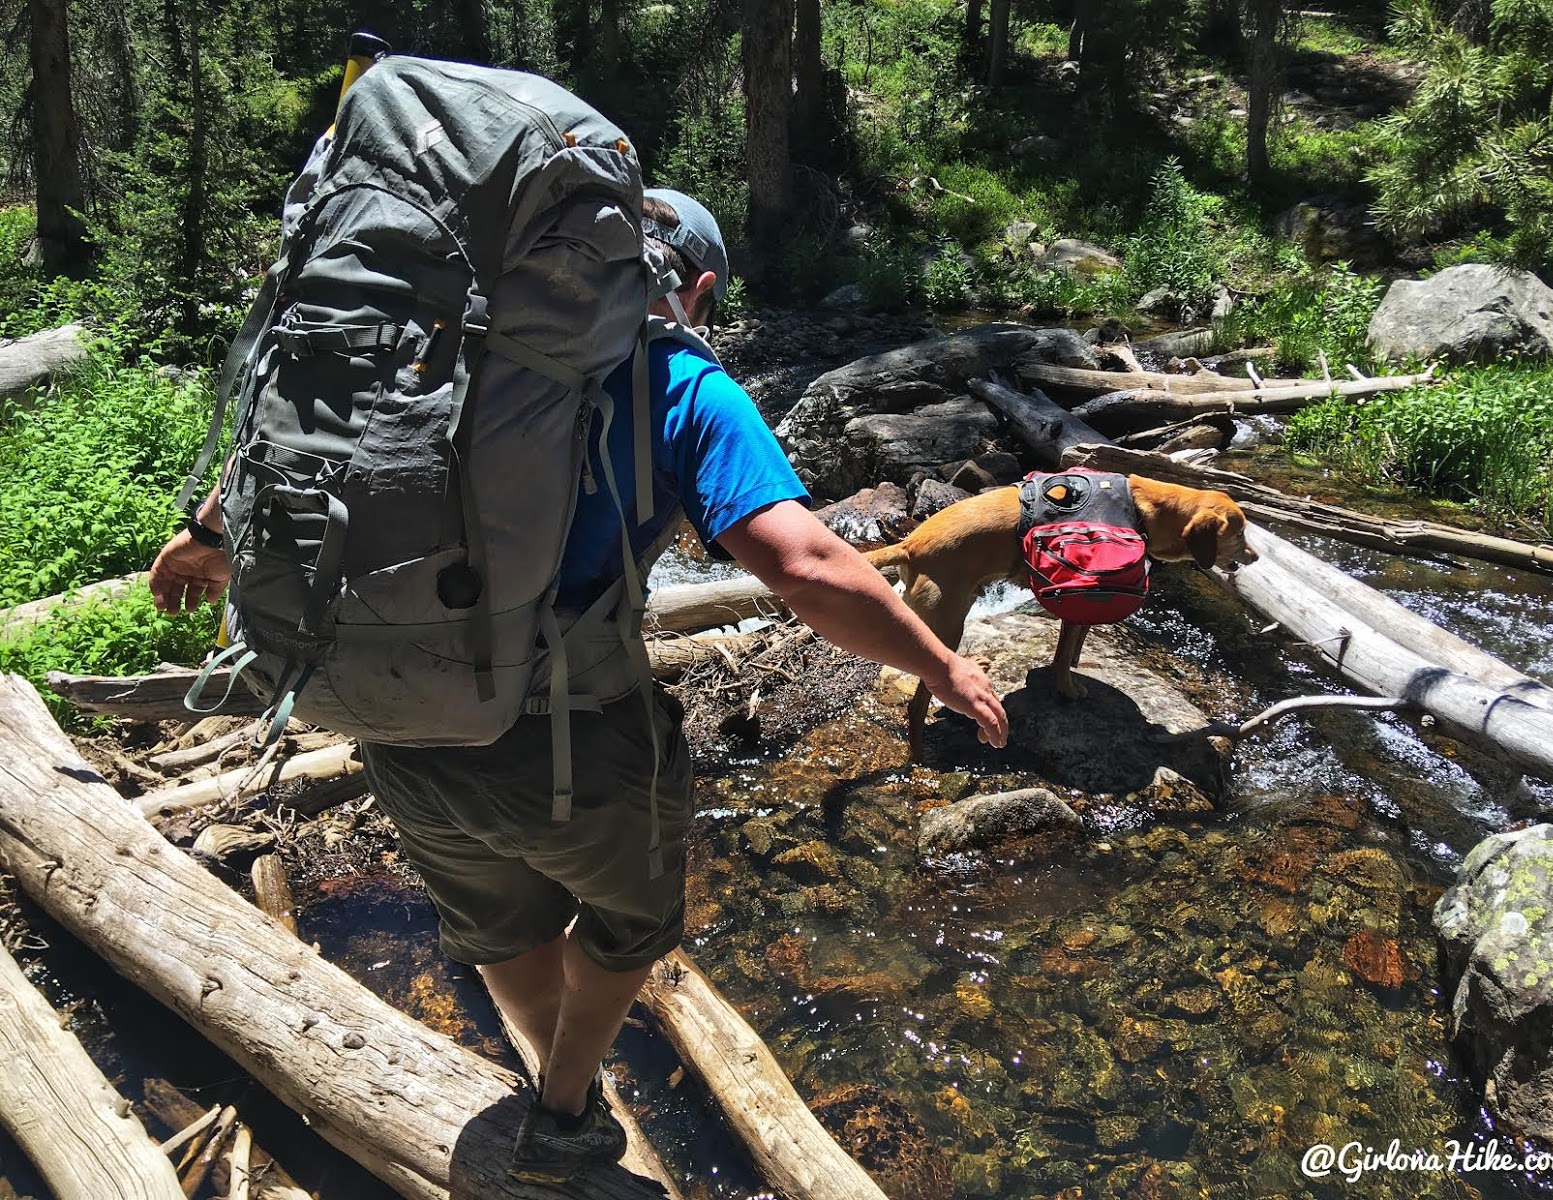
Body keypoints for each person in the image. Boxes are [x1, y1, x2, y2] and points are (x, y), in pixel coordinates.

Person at [148, 188, 1008, 1183]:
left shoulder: (426, 345)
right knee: (632, 922)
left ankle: (563, 1089)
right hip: (575, 734)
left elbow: (289, 441)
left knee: (499, 923)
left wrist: (209, 537)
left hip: (396, 720)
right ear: (692, 289)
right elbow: (804, 565)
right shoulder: (676, 380)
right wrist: (939, 663)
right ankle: (563, 1106)